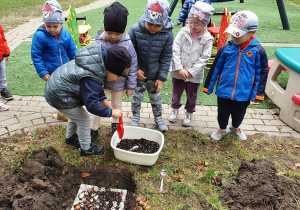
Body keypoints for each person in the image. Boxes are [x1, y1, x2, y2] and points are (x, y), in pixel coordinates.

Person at [44, 45, 132, 156]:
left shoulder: (96, 64)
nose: (118, 79)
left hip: (59, 89)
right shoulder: (92, 76)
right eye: (118, 76)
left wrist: (103, 100)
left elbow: (96, 86)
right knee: (83, 118)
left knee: (77, 114)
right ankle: (86, 148)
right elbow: (92, 105)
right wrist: (111, 113)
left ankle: (70, 138)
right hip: (59, 95)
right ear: (110, 69)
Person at [203, 10, 268, 141]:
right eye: (233, 34)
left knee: (239, 114)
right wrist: (208, 87)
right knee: (222, 113)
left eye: (239, 35)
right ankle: (222, 128)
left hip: (244, 92)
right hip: (224, 90)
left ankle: (235, 127)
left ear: (252, 33)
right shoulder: (226, 48)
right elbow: (215, 68)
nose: (234, 37)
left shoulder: (258, 51)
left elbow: (261, 73)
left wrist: (258, 93)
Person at [90, 2, 138, 141]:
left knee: (117, 105)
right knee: (99, 105)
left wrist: (130, 85)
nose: (113, 37)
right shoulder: (100, 41)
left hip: (120, 84)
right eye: (109, 32)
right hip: (102, 84)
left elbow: (133, 65)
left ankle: (116, 127)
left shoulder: (128, 43)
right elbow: (95, 61)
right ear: (105, 28)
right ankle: (93, 129)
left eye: (117, 33)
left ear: (123, 31)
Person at [128, 0, 174, 132]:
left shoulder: (168, 34)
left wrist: (161, 77)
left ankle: (158, 117)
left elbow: (166, 57)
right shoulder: (135, 29)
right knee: (136, 97)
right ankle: (135, 116)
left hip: (155, 75)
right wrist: (135, 70)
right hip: (139, 74)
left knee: (156, 98)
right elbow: (130, 53)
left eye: (157, 25)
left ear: (164, 21)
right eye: (150, 24)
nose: (153, 28)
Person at [168, 2, 214, 126]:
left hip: (194, 75)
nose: (192, 26)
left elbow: (205, 58)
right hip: (179, 72)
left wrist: (191, 72)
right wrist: (179, 68)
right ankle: (175, 109)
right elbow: (175, 49)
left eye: (197, 24)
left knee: (192, 95)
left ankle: (189, 113)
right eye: (190, 22)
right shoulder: (183, 32)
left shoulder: (207, 39)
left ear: (204, 25)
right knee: (176, 92)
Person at [31, 0, 77, 121]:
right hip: (51, 72)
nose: (52, 29)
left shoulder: (65, 34)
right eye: (48, 26)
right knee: (57, 93)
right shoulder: (39, 36)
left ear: (61, 23)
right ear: (44, 24)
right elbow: (36, 56)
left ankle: (67, 111)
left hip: (66, 70)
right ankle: (61, 113)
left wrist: (77, 64)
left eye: (55, 26)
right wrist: (43, 72)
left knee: (68, 90)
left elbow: (72, 51)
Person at [0, 24, 13, 109]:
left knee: (2, 74)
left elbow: (3, 40)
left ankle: (2, 89)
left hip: (1, 57)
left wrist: (6, 52)